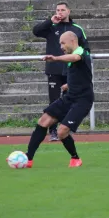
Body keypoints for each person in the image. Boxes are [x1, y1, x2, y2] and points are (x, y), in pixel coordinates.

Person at [23, 31, 93, 168]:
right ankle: (28, 158)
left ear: (73, 41)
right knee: (44, 120)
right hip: (70, 96)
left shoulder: (81, 52)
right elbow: (80, 74)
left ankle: (75, 158)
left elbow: (75, 58)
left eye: (63, 43)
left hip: (82, 100)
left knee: (61, 132)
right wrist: (69, 85)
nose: (61, 46)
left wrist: (55, 58)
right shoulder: (72, 57)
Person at [33, 2, 90, 142]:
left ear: (68, 11)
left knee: (68, 100)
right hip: (54, 70)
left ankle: (64, 129)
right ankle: (52, 131)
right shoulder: (50, 27)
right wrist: (49, 21)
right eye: (58, 10)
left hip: (71, 71)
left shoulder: (76, 29)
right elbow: (36, 31)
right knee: (54, 101)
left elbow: (86, 48)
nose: (60, 12)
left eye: (63, 10)